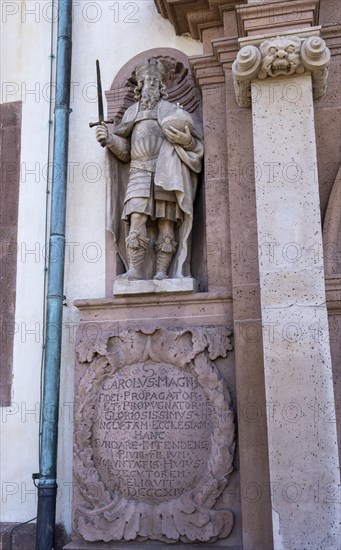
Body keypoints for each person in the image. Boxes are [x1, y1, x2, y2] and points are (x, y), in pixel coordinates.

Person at [96, 57, 204, 281]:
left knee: (166, 223)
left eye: (155, 80)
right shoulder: (131, 113)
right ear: (140, 86)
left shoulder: (172, 111)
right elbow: (124, 152)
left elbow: (195, 146)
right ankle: (135, 270)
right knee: (136, 218)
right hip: (138, 171)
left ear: (161, 85)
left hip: (167, 172)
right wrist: (109, 139)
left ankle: (162, 271)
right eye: (146, 80)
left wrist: (186, 141)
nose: (150, 84)